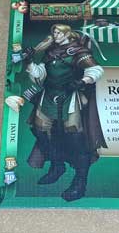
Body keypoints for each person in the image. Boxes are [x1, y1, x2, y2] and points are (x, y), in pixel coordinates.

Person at [6, 24, 107, 202]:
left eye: (59, 32)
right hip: (48, 96)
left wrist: (82, 81)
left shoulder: (78, 51)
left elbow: (96, 69)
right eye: (54, 32)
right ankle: (57, 166)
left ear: (67, 34)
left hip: (69, 97)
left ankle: (80, 181)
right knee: (40, 131)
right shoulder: (51, 51)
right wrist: (30, 61)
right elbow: (39, 76)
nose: (55, 34)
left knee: (75, 138)